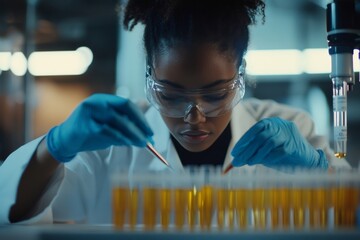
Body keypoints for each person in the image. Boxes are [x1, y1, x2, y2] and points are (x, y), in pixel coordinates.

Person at [0, 0, 349, 225]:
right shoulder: (108, 150)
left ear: (239, 75)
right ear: (150, 75)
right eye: (171, 95)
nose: (193, 116)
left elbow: (352, 216)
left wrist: (318, 168)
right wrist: (55, 146)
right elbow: (11, 215)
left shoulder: (292, 128)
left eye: (214, 95)